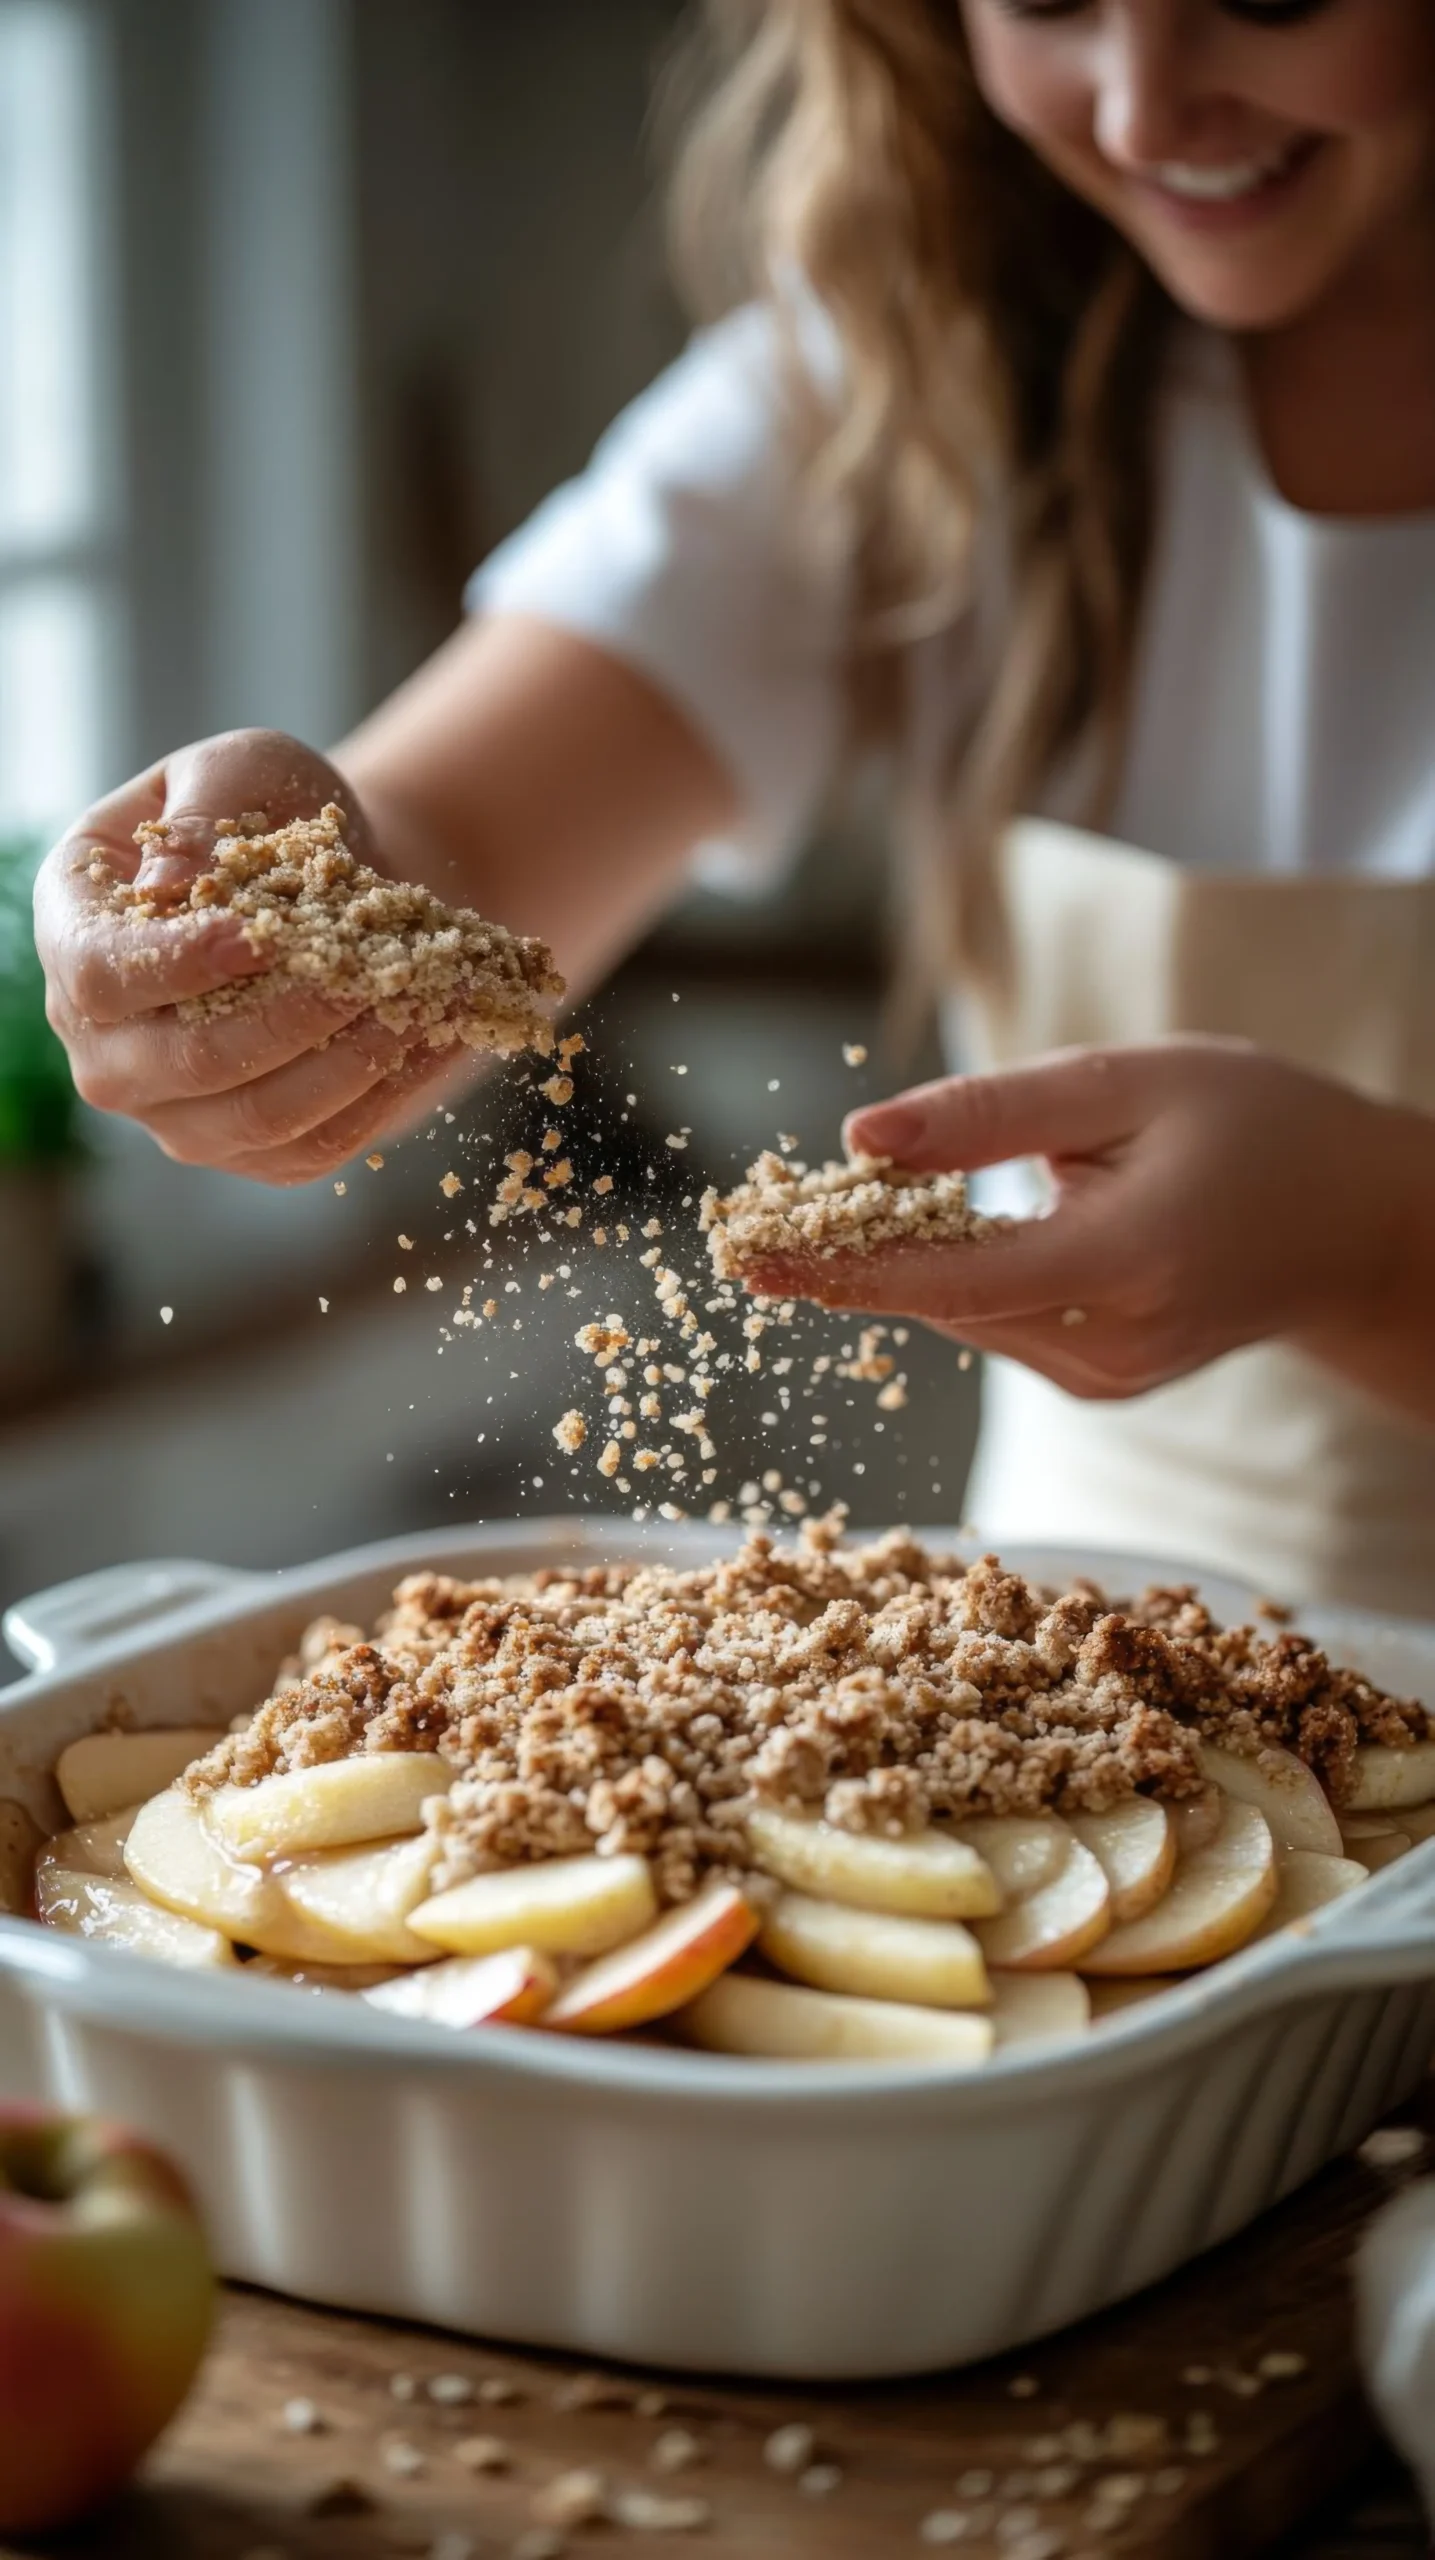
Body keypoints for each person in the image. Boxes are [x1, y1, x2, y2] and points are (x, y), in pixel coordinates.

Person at [34, 0, 1435, 1613]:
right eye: (1048, 2)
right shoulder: (909, 363)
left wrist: (1373, 1244)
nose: (1137, 112)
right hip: (1098, 1658)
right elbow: (450, 854)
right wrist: (280, 904)